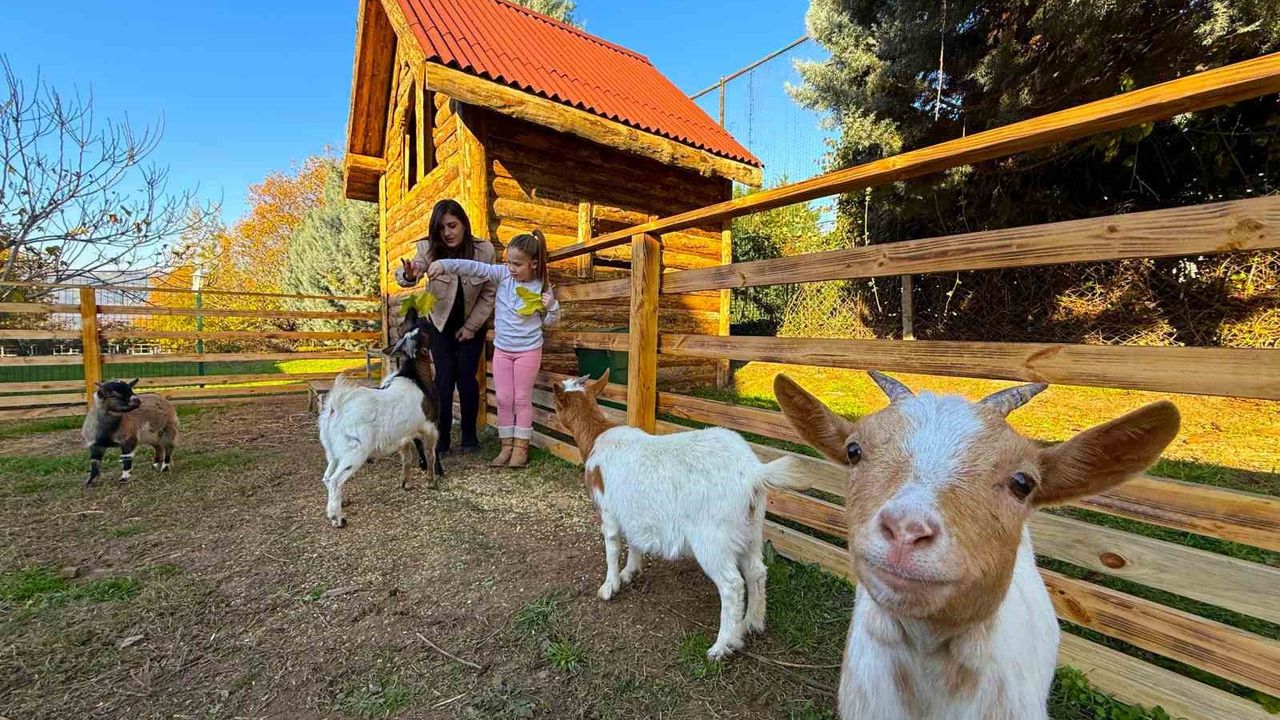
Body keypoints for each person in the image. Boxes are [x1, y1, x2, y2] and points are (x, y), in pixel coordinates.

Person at [428, 229, 560, 468]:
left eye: (517, 264)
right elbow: (473, 267)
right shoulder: (502, 276)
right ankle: (505, 446)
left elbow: (549, 324)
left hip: (528, 350)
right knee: (503, 398)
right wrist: (444, 264)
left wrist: (552, 308)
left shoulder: (542, 288)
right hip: (503, 350)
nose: (511, 267)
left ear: (534, 264)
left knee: (521, 398)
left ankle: (521, 448)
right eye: (508, 261)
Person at [396, 199, 496, 455]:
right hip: (439, 326)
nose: (447, 233)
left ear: (463, 223)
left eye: (452, 225)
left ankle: (470, 438)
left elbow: (489, 293)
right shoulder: (428, 248)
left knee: (467, 380)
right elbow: (408, 275)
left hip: (471, 327)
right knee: (443, 381)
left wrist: (472, 327)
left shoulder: (484, 250)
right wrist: (410, 273)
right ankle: (441, 441)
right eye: (441, 228)